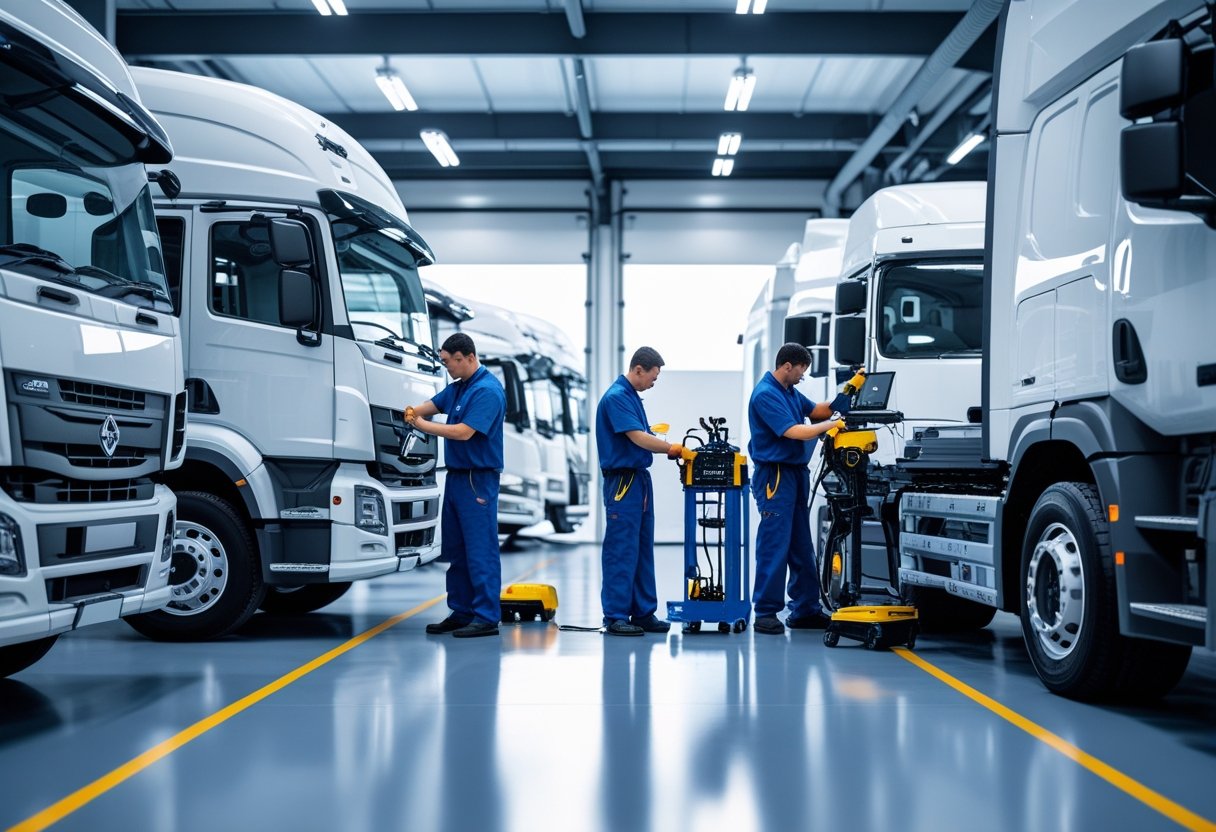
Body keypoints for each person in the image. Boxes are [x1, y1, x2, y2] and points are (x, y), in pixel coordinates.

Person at [406, 333, 506, 638]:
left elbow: (463, 432)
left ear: (468, 357)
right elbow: (433, 404)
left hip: (478, 479)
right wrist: (413, 411)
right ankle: (462, 611)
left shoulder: (487, 391)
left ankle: (486, 615)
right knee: (457, 550)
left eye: (450, 362)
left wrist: (421, 425)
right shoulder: (460, 388)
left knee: (480, 550)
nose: (447, 367)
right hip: (457, 477)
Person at [747, 342, 848, 635]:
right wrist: (831, 425)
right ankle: (765, 612)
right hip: (775, 477)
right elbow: (794, 431)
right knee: (774, 544)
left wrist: (850, 391)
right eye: (801, 370)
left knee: (802, 545)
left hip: (794, 474)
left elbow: (816, 411)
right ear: (787, 366)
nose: (803, 376)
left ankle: (805, 609)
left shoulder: (789, 391)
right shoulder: (767, 394)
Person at [596, 346, 684, 636]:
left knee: (643, 548)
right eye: (653, 378)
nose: (653, 383)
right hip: (623, 482)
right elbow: (637, 437)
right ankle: (617, 615)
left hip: (638, 480)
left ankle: (643, 612)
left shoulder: (632, 396)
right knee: (621, 549)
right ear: (638, 370)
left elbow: (642, 435)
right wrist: (671, 447)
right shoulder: (617, 397)